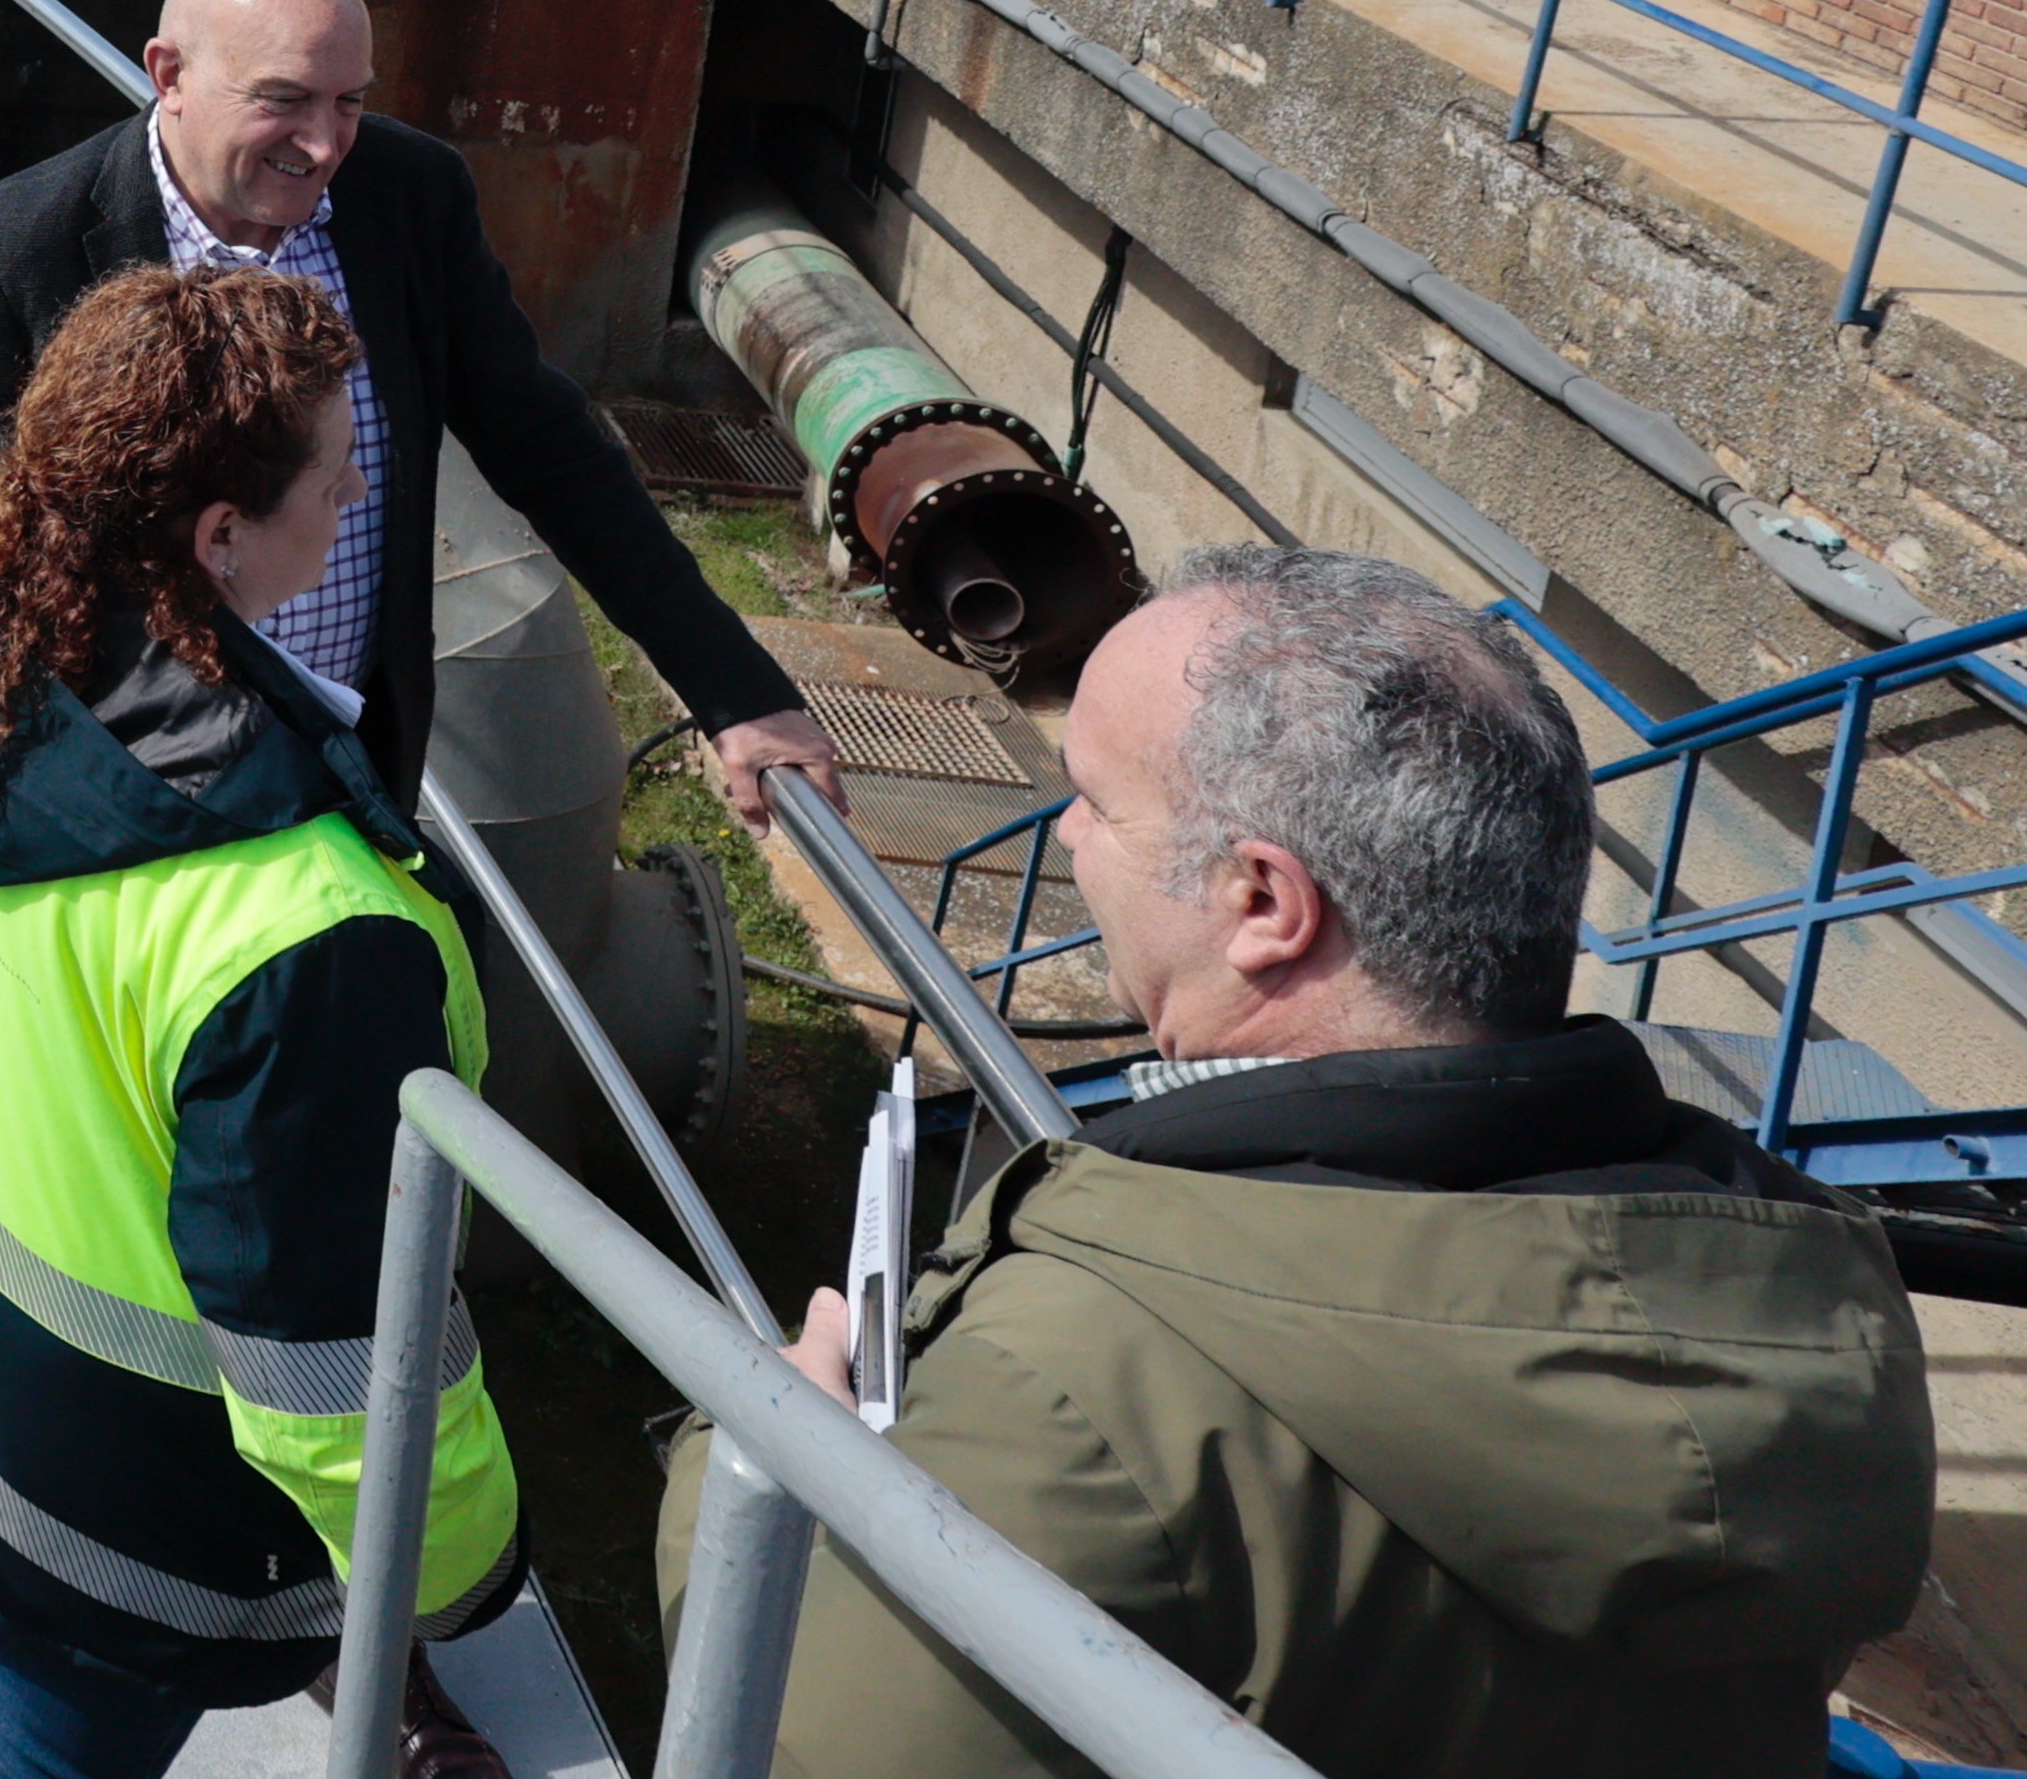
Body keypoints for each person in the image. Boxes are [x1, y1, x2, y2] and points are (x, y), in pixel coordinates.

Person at [681, 544, 1935, 1778]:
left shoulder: (1079, 1384)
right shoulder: (1820, 1305)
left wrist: (753, 1462)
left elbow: (791, 1740)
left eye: (1096, 799)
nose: (1064, 834)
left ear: (1263, 905)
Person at [0, 264, 623, 1779]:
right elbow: (332, 1373)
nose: (358, 493)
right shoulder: (304, 930)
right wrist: (458, 1575)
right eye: (332, 471)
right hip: (118, 1531)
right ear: (218, 536)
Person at [0, 0, 838, 831]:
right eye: (283, 99)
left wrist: (735, 690)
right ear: (169, 75)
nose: (326, 145)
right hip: (125, 780)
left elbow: (547, 447)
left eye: (350, 102)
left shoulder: (407, 196)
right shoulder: (24, 246)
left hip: (347, 761)